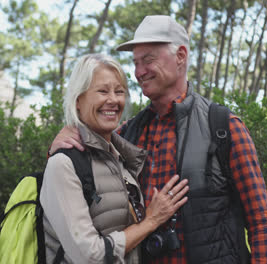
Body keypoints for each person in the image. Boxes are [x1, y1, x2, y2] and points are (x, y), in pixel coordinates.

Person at [50, 16, 267, 263]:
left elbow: (261, 223)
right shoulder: (125, 136)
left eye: (148, 60)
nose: (139, 72)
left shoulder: (223, 127)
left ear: (181, 56)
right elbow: (71, 172)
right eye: (136, 63)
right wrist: (62, 143)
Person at [41, 53, 189, 264]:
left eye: (119, 92)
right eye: (102, 91)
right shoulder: (63, 164)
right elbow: (89, 256)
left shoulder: (124, 160)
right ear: (78, 101)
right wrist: (151, 221)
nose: (113, 100)